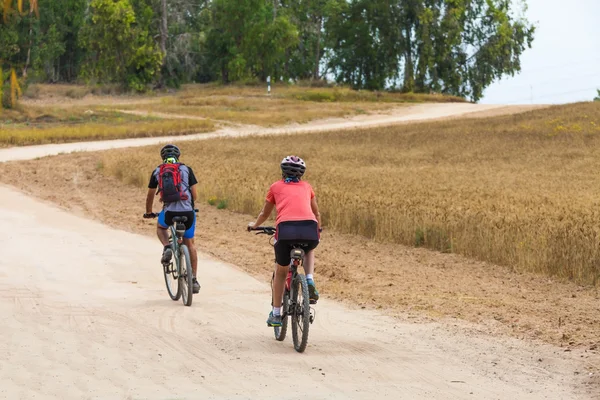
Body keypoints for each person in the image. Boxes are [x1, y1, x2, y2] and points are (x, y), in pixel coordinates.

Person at [248, 155, 322, 327]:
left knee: (281, 271)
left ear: (282, 171)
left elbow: (264, 213)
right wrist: (318, 230)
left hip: (285, 230)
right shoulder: (307, 187)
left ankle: (275, 314)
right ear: (302, 174)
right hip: (309, 228)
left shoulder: (275, 187)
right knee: (310, 247)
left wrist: (254, 225)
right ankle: (309, 279)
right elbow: (317, 213)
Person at [144, 144, 200, 294]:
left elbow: (150, 195)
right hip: (188, 213)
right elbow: (194, 196)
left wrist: (149, 212)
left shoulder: (157, 171)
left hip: (169, 213)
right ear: (178, 156)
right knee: (190, 244)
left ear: (162, 157)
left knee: (161, 227)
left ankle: (167, 247)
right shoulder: (187, 169)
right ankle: (193, 280)